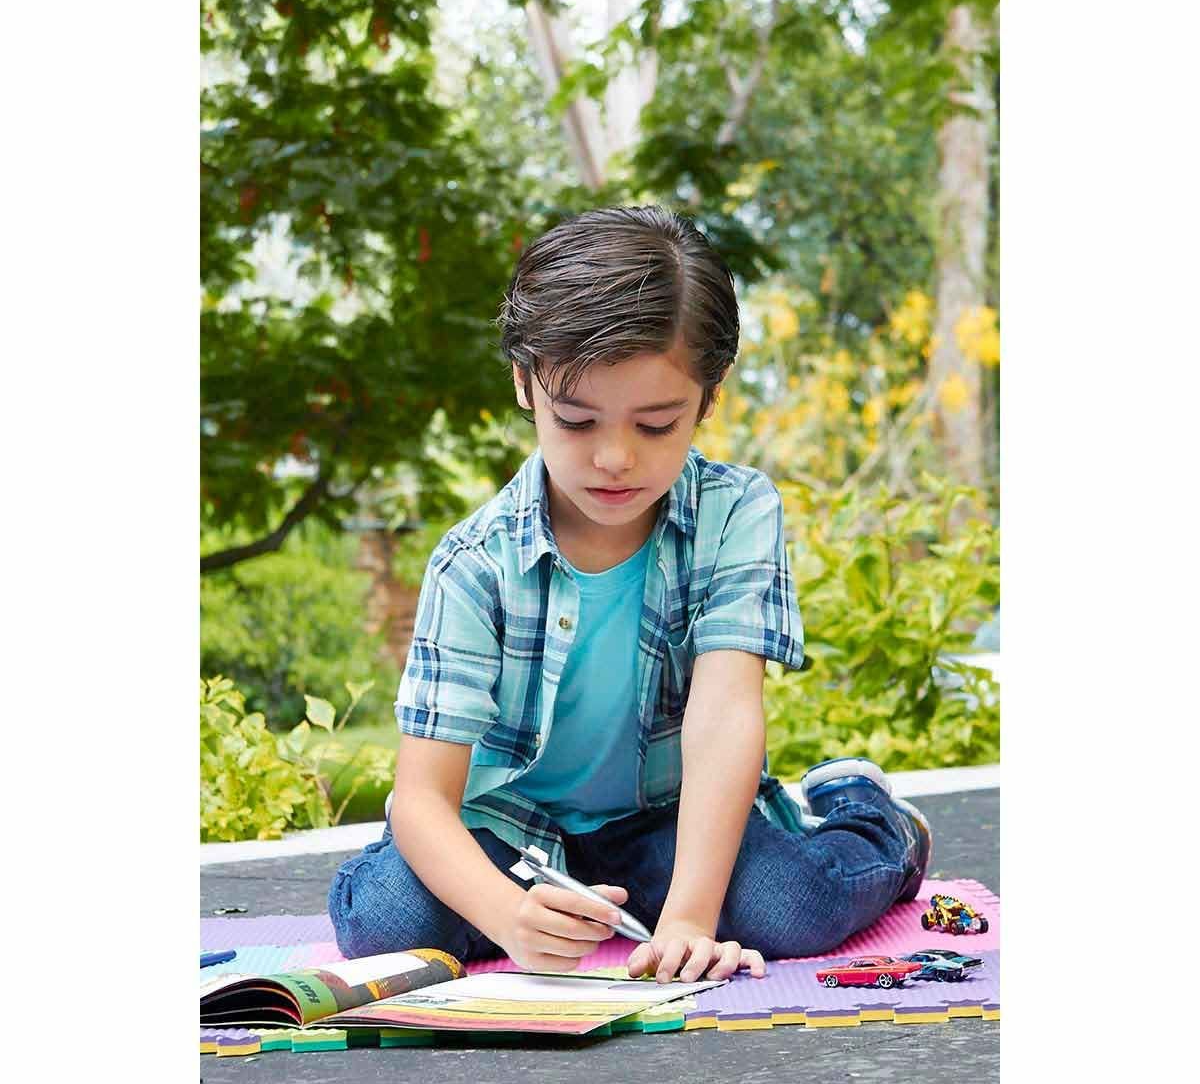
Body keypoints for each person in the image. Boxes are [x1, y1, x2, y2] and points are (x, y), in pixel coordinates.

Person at [328, 206, 931, 985]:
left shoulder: (734, 513)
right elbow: (421, 799)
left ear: (707, 398)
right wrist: (508, 918)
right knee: (387, 921)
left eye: (655, 425)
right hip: (509, 832)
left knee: (789, 909)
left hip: (667, 822)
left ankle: (868, 814)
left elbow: (725, 714)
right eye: (577, 421)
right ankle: (551, 907)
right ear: (525, 384)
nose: (614, 458)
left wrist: (689, 920)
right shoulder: (474, 563)